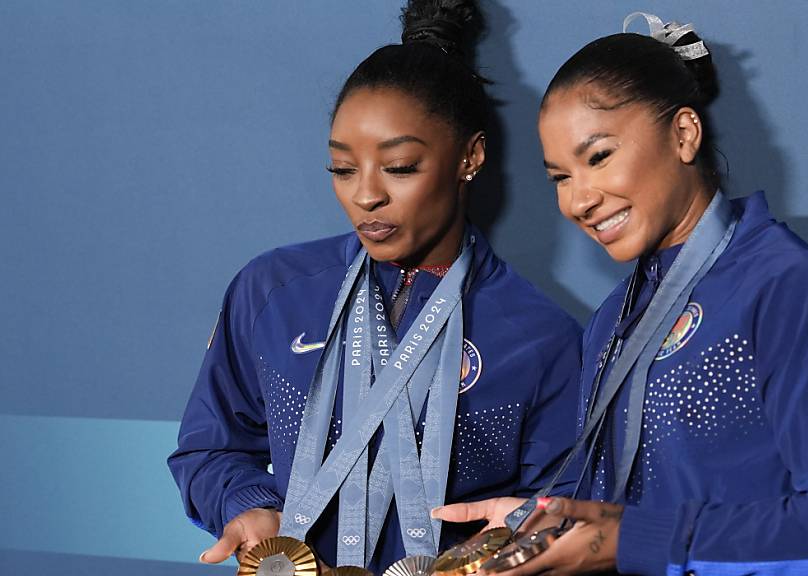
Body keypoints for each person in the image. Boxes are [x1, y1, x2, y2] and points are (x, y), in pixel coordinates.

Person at [435, 12, 808, 576]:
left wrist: (634, 539)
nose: (579, 200)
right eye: (560, 178)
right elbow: (618, 506)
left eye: (598, 157)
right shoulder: (614, 318)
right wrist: (540, 520)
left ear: (684, 134)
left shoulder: (797, 291)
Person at [167, 0, 581, 572]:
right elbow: (209, 448)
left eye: (401, 167)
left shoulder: (543, 337)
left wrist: (509, 550)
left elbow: (559, 515)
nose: (365, 196)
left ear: (470, 157)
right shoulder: (273, 291)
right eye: (342, 168)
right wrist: (248, 507)